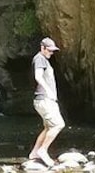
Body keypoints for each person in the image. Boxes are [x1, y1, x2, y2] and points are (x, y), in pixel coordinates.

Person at [28, 37, 65, 167]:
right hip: (44, 99)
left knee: (48, 127)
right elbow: (38, 76)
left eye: (53, 51)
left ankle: (34, 153)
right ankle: (43, 151)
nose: (51, 53)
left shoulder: (43, 59)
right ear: (42, 48)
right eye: (49, 50)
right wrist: (49, 91)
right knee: (58, 125)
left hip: (42, 100)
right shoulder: (39, 59)